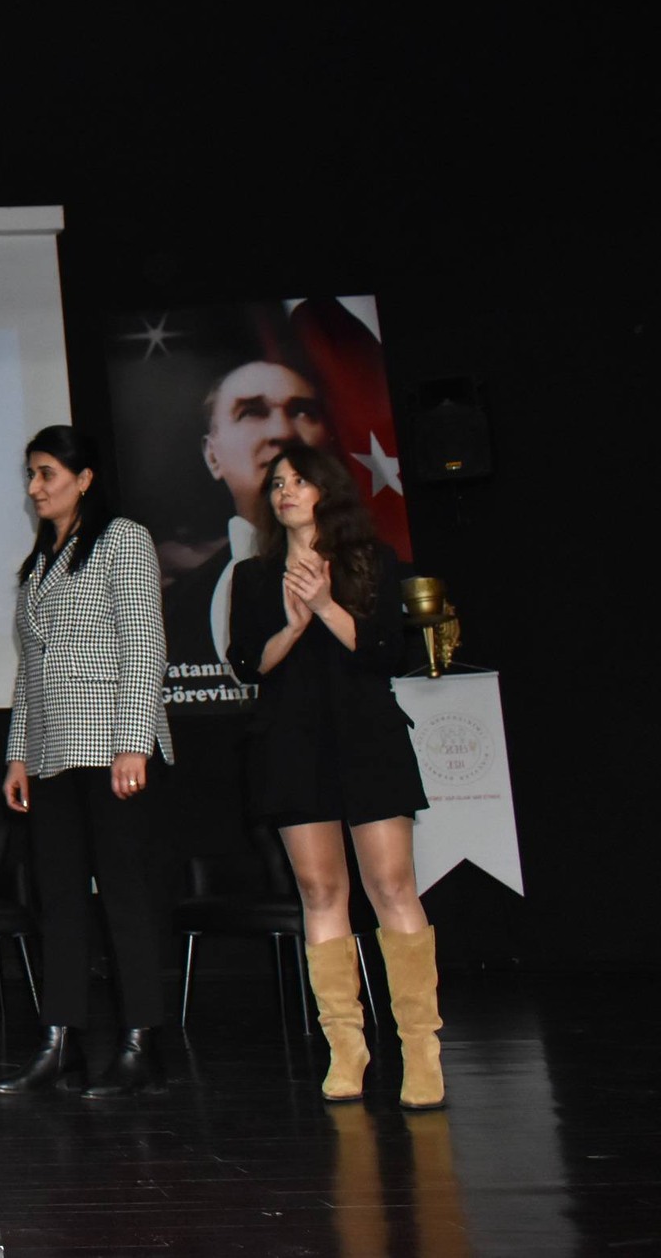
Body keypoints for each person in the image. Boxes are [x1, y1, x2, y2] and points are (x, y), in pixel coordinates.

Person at [226, 441, 442, 1109]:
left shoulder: (370, 560)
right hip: (292, 744)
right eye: (277, 484)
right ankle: (346, 1049)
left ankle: (421, 1051)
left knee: (392, 885)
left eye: (299, 480)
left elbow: (387, 653)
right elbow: (247, 664)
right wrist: (292, 626)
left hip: (367, 738)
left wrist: (323, 604)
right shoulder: (254, 575)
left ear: (327, 489)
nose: (286, 492)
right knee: (320, 891)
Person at [0, 427, 177, 1099]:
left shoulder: (122, 539)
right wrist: (18, 754)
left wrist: (133, 742)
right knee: (60, 900)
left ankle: (142, 1045)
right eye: (31, 474)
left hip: (111, 747)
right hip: (52, 755)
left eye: (47, 472)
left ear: (85, 478)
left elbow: (145, 643)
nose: (35, 486)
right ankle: (61, 1042)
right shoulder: (39, 563)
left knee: (125, 896)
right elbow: (31, 672)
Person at [165, 359, 333, 672]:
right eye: (252, 412)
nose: (282, 432)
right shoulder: (174, 605)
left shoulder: (370, 568)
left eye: (302, 412)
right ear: (212, 455)